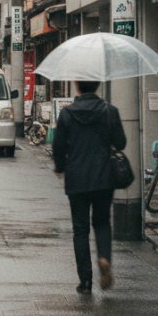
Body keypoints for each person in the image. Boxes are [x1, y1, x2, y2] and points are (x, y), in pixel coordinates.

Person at [52, 80, 126, 293]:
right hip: (103, 177)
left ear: (77, 86)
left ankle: (85, 282)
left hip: (77, 178)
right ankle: (104, 258)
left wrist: (60, 167)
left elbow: (58, 146)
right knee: (102, 223)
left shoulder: (67, 114)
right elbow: (121, 143)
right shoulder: (110, 111)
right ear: (97, 85)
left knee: (80, 229)